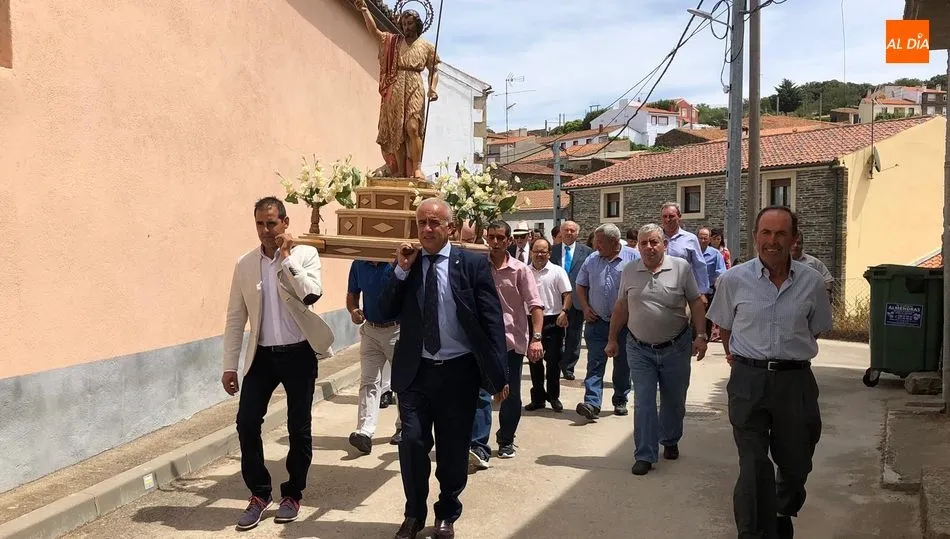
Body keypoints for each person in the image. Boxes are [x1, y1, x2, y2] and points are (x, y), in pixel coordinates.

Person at [378, 198, 509, 539]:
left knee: (452, 449)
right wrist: (401, 270)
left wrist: (498, 374)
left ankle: (447, 511)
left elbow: (491, 320)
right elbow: (382, 310)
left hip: (458, 372)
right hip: (415, 372)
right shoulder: (408, 264)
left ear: (450, 228)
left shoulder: (472, 264)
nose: (427, 229)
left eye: (434, 223)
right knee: (413, 444)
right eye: (421, 223)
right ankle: (413, 514)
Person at [707, 206, 833, 539]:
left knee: (796, 462)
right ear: (755, 237)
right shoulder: (734, 280)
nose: (772, 241)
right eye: (765, 233)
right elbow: (724, 326)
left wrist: (788, 353)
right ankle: (754, 532)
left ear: (794, 238)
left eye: (780, 234)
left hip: (796, 381)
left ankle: (781, 507)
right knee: (752, 465)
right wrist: (739, 359)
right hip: (748, 380)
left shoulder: (813, 282)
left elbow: (816, 328)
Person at [222, 197, 334, 530]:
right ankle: (259, 493)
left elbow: (311, 293)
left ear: (285, 223)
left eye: (271, 223)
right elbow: (234, 317)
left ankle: (292, 493)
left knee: (298, 428)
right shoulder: (244, 264)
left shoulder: (305, 255)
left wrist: (286, 259)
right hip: (263, 357)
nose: (266, 230)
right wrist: (230, 365)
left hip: (299, 353)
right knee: (246, 422)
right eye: (260, 224)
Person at [606, 224, 708, 475]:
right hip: (639, 348)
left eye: (654, 242)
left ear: (664, 244)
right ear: (637, 246)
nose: (649, 247)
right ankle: (645, 454)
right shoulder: (629, 271)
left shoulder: (681, 268)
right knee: (644, 402)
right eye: (644, 243)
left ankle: (670, 439)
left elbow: (696, 301)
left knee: (674, 400)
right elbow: (621, 307)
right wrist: (612, 339)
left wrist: (702, 335)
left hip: (676, 346)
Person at [469, 221, 544, 469]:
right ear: (486, 239)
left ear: (509, 241)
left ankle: (506, 439)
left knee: (510, 395)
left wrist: (536, 338)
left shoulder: (520, 270)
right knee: (480, 393)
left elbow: (535, 305)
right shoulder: (478, 266)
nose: (496, 242)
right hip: (483, 341)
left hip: (512, 341)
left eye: (501, 237)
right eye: (492, 237)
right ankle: (479, 445)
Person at [356, 0, 439, 179]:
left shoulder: (427, 46)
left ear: (418, 24)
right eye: (404, 23)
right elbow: (375, 33)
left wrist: (432, 88)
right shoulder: (394, 41)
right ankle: (400, 170)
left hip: (414, 84)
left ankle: (417, 168)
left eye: (410, 23)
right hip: (396, 83)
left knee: (412, 126)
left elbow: (434, 70)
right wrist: (365, 10)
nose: (406, 26)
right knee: (397, 129)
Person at [575, 223, 640, 421]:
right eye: (596, 241)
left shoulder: (633, 258)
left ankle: (620, 399)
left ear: (613, 242)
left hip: (625, 325)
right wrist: (585, 307)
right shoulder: (592, 259)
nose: (596, 246)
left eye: (600, 242)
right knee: (595, 363)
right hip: (597, 322)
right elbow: (581, 284)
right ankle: (592, 403)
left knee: (622, 364)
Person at [346, 260, 403, 454]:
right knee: (369, 381)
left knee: (402, 382)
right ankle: (364, 432)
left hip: (397, 330)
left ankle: (403, 426)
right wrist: (353, 310)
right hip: (370, 330)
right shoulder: (358, 264)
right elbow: (353, 293)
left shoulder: (397, 261)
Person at [525, 238, 572, 412]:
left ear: (549, 253)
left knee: (553, 362)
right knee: (534, 361)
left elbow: (567, 294)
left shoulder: (557, 271)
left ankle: (553, 397)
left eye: (543, 251)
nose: (539, 254)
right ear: (531, 252)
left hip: (553, 321)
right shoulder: (525, 271)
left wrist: (564, 312)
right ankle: (538, 398)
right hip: (530, 320)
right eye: (536, 251)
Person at [550, 221, 593, 380]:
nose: (569, 233)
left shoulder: (587, 252)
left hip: (577, 299)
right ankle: (554, 362)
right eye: (566, 230)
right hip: (555, 299)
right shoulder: (551, 251)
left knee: (574, 336)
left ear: (577, 233)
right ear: (561, 232)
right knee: (556, 334)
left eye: (572, 230)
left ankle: (568, 367)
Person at [660, 202, 710, 297]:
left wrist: (703, 292)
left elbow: (699, 266)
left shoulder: (690, 239)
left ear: (679, 217)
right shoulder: (656, 239)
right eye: (665, 216)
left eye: (671, 216)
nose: (668, 219)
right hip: (659, 290)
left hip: (683, 291)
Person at [697, 227, 727, 339]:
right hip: (693, 291)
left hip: (710, 291)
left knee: (707, 319)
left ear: (709, 239)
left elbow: (721, 272)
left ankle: (704, 341)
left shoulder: (716, 254)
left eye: (705, 238)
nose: (703, 240)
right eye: (700, 238)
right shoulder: (692, 253)